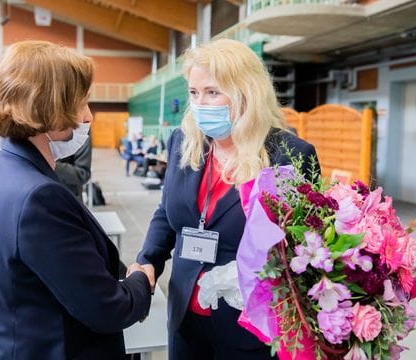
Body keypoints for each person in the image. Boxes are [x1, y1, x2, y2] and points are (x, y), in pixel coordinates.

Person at [0, 40, 154, 360]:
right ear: (50, 106)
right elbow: (107, 309)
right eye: (82, 103)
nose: (88, 116)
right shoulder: (39, 197)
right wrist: (138, 281)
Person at [133, 39, 319, 359]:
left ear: (247, 92)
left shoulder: (290, 155)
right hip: (185, 317)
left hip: (249, 326)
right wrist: (148, 259)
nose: (200, 103)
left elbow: (304, 246)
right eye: (194, 93)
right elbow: (167, 211)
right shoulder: (184, 141)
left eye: (212, 92)